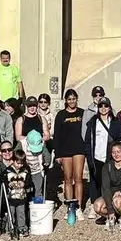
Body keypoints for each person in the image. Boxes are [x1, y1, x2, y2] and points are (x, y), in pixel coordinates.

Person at [84, 96, 121, 219]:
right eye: (101, 106)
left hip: (109, 157)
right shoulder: (92, 122)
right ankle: (94, 205)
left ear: (110, 107)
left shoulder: (115, 122)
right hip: (96, 156)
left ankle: (107, 206)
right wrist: (88, 156)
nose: (103, 108)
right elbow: (87, 140)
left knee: (107, 183)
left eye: (106, 106)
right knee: (95, 181)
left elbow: (120, 139)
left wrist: (118, 156)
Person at [53, 89, 86, 225]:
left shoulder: (82, 113)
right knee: (68, 179)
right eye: (69, 99)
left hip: (79, 149)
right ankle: (69, 207)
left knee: (78, 178)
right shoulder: (61, 115)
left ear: (76, 99)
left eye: (74, 99)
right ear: (66, 100)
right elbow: (57, 136)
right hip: (65, 150)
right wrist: (58, 154)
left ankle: (78, 207)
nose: (72, 101)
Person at [0, 150, 33, 236]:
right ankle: (11, 227)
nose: (20, 165)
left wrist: (24, 184)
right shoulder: (7, 171)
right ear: (13, 160)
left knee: (21, 213)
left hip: (21, 197)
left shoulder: (25, 171)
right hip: (11, 198)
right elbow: (3, 181)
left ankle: (22, 228)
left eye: (21, 163)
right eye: (18, 163)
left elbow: (29, 181)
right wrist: (9, 184)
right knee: (11, 213)